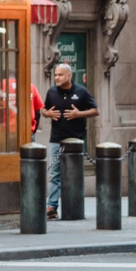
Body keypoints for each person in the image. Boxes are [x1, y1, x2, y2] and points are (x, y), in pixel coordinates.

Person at [39, 59, 98, 215]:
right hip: (56, 140)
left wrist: (79, 114)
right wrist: (48, 114)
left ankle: (73, 207)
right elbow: (43, 110)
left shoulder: (81, 92)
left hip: (75, 142)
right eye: (56, 75)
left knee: (73, 175)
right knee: (54, 174)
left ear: (69, 76)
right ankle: (52, 206)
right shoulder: (51, 92)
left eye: (60, 75)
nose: (57, 78)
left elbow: (95, 110)